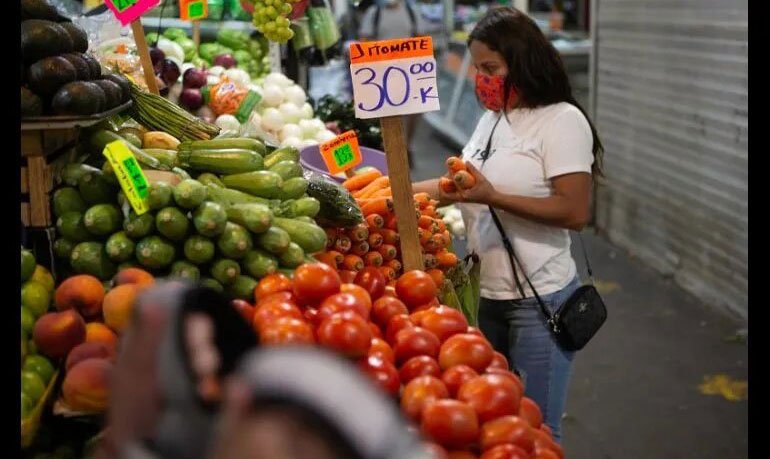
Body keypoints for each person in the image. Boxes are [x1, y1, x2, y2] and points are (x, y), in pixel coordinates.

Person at [413, 6, 604, 442]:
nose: (482, 78)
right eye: (478, 67)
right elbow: (456, 186)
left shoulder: (561, 121)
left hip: (539, 301)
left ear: (522, 61)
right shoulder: (490, 121)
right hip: (487, 297)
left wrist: (493, 196)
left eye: (491, 67)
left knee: (536, 430)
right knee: (494, 426)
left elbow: (574, 212)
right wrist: (392, 189)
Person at [358, 0, 423, 161]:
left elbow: (420, 37)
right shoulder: (374, 13)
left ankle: (407, 146)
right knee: (388, 113)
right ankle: (390, 149)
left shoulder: (412, 11)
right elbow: (364, 40)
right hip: (382, 73)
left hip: (408, 71)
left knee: (414, 111)